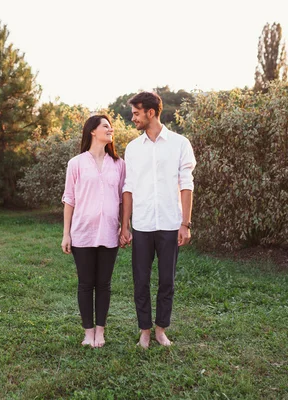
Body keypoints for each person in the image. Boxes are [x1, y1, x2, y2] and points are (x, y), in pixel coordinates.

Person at [120, 91, 196, 349]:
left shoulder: (179, 144)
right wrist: (125, 225)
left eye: (136, 113)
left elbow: (186, 184)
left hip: (169, 223)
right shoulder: (132, 148)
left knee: (167, 280)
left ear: (151, 112)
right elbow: (128, 187)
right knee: (140, 280)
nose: (133, 118)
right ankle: (144, 330)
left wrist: (185, 223)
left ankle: (161, 329)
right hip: (141, 224)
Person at [61, 115, 126, 348]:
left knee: (104, 284)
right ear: (92, 131)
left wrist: (124, 226)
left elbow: (122, 198)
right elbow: (69, 199)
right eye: (106, 126)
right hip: (82, 233)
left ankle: (101, 331)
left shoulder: (119, 164)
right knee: (86, 283)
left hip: (109, 233)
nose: (111, 130)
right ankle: (88, 332)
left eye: (111, 127)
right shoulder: (76, 163)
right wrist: (66, 234)